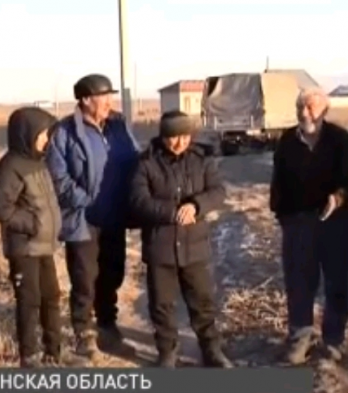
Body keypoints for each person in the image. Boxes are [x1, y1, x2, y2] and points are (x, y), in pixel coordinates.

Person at [46, 74, 141, 359]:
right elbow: (58, 177)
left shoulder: (118, 126)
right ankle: (84, 334)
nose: (110, 102)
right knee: (84, 278)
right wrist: (85, 201)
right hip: (83, 219)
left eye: (111, 96)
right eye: (104, 97)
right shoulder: (65, 132)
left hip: (114, 215)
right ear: (86, 100)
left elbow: (135, 159)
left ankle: (108, 327)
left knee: (112, 274)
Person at [129, 110, 233, 368]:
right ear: (163, 136)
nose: (179, 143)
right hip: (160, 246)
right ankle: (167, 352)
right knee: (162, 304)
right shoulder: (146, 163)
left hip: (194, 246)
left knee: (202, 301)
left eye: (185, 136)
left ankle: (211, 348)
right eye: (173, 137)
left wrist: (196, 206)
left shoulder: (202, 159)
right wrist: (170, 212)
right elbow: (138, 201)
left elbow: (218, 191)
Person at [270, 87, 348, 365]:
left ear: (324, 110)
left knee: (336, 284)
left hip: (336, 223)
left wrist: (338, 198)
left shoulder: (339, 139)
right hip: (298, 223)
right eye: (300, 107)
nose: (304, 113)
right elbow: (278, 182)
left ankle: (333, 340)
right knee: (299, 283)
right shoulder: (287, 141)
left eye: (310, 107)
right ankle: (300, 338)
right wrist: (283, 216)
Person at [0, 107, 62, 368]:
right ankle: (29, 356)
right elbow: (1, 208)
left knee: (51, 296)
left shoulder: (39, 161)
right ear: (27, 134)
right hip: (24, 247)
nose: (46, 139)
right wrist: (33, 224)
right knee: (29, 301)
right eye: (42, 134)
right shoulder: (10, 166)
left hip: (44, 246)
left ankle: (54, 351)